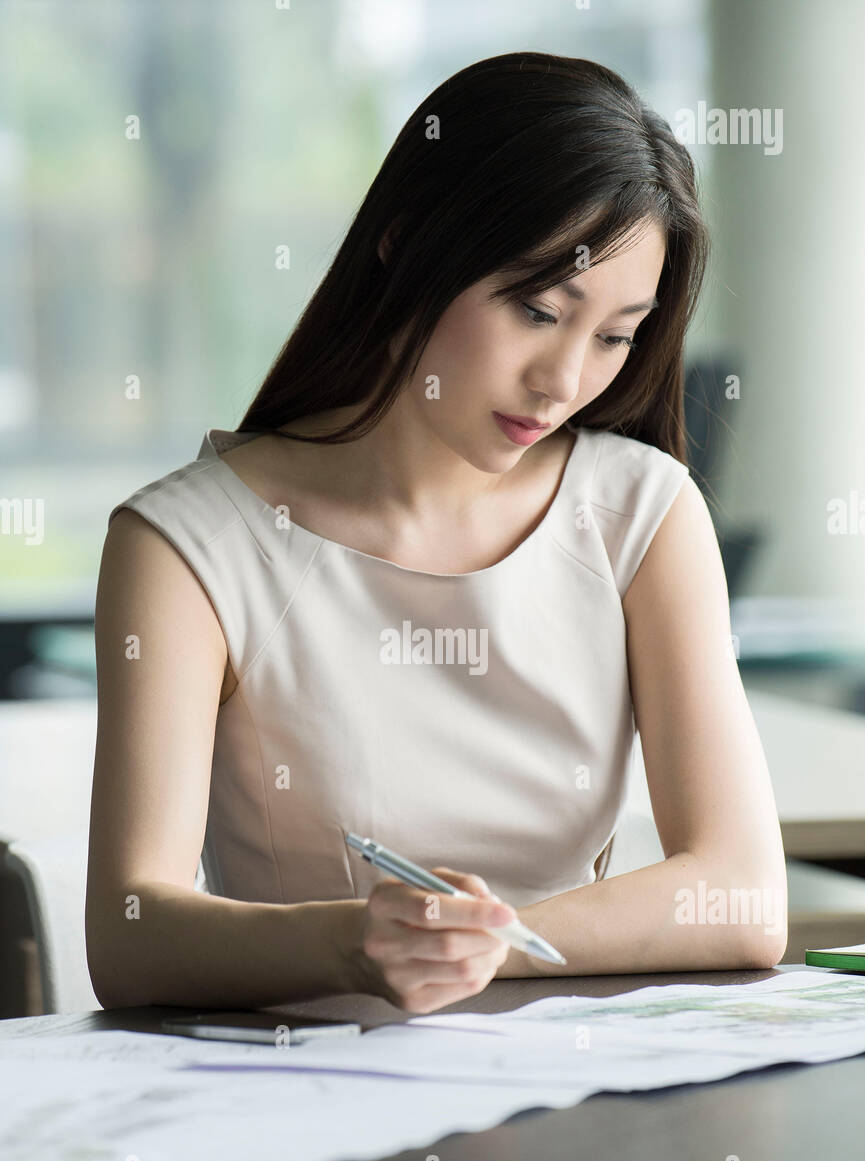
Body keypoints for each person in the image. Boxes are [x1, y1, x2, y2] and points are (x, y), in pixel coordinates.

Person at [86, 52, 787, 1015]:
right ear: (407, 245)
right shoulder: (187, 544)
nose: (563, 380)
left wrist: (480, 951)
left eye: (615, 335)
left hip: (567, 1093)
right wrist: (352, 942)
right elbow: (131, 932)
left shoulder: (641, 513)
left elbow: (742, 895)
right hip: (298, 1101)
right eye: (537, 310)